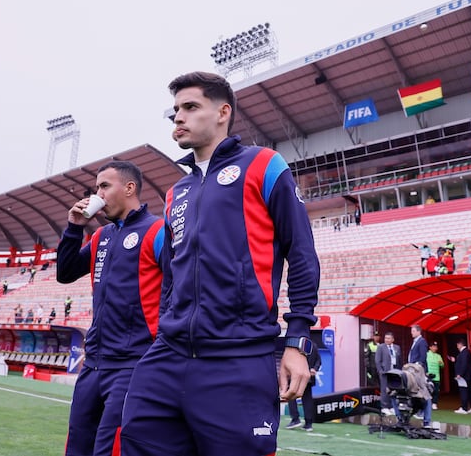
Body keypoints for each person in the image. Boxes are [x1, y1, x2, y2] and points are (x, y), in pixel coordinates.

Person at [120, 71, 320, 456]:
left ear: (222, 112)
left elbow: (302, 254)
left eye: (191, 107)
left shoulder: (264, 164)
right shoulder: (177, 190)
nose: (179, 117)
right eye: (175, 110)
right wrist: (164, 327)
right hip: (167, 357)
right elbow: (173, 272)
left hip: (238, 358)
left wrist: (297, 340)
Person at [57, 161, 165, 456]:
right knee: (77, 447)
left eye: (104, 186)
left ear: (129, 188)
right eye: (97, 188)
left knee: (110, 449)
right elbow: (65, 273)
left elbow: (179, 289)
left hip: (132, 365)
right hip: (93, 364)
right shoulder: (101, 236)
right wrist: (73, 228)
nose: (98, 194)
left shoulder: (157, 230)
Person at [285, 343, 322, 431]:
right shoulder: (313, 345)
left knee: (291, 395)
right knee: (307, 399)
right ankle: (308, 423)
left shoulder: (296, 344)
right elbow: (319, 360)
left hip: (297, 375)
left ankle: (295, 419)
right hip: (309, 376)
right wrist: (314, 369)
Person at [407, 324, 431, 423]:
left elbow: (422, 357)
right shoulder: (415, 341)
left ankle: (422, 412)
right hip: (412, 369)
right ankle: (419, 411)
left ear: (418, 331)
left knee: (421, 391)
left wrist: (417, 366)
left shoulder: (422, 342)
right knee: (415, 391)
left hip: (417, 370)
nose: (411, 333)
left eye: (413, 331)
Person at [375, 331, 402, 417]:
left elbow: (400, 360)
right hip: (385, 371)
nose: (387, 340)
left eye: (389, 338)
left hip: (394, 371)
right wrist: (380, 370)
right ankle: (384, 407)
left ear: (393, 339)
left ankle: (392, 406)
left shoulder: (397, 347)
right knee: (384, 389)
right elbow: (377, 360)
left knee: (393, 389)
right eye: (386, 338)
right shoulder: (381, 347)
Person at [450, 338, 471, 414]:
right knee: (470, 391)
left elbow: (464, 364)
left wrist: (460, 374)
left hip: (465, 376)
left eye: (457, 345)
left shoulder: (464, 352)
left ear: (460, 344)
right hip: (469, 375)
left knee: (464, 391)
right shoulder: (466, 352)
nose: (457, 346)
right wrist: (455, 360)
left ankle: (464, 408)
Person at [426, 341, 444, 410]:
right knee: (428, 390)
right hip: (429, 376)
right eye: (433, 346)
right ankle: (428, 403)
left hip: (436, 376)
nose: (435, 348)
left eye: (436, 347)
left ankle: (434, 403)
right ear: (430, 347)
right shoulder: (426, 354)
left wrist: (441, 363)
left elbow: (442, 365)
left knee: (436, 391)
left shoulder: (438, 356)